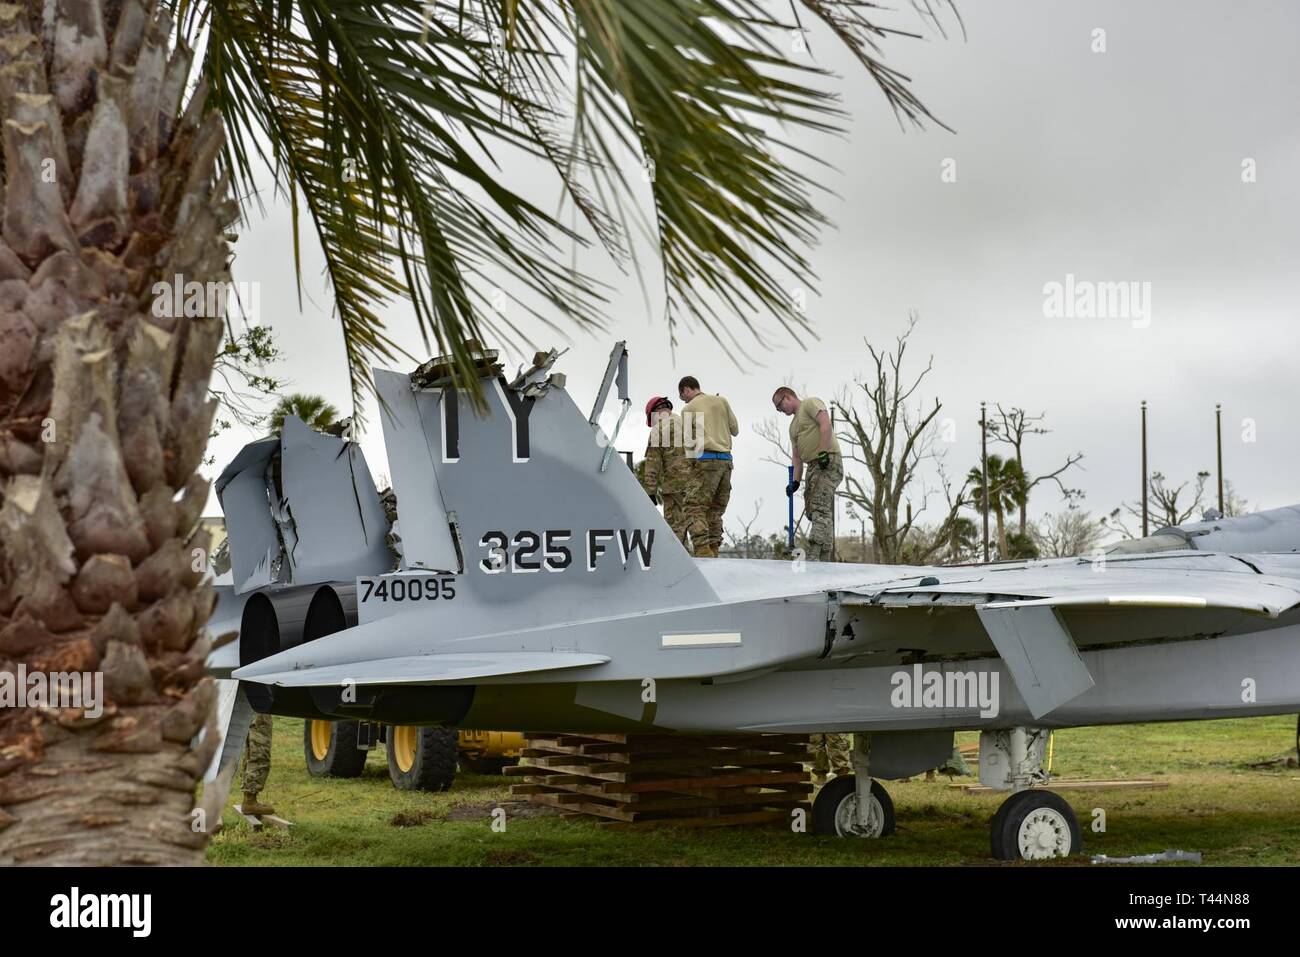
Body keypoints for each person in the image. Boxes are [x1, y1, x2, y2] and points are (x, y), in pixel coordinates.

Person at [773, 386, 843, 562]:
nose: (780, 411)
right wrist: (795, 482)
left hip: (827, 461)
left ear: (787, 397)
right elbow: (796, 457)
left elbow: (826, 424)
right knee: (813, 511)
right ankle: (825, 555)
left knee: (820, 507)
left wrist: (823, 452)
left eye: (779, 406)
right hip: (812, 466)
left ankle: (814, 555)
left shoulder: (810, 404)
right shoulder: (793, 427)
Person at [679, 376, 738, 558]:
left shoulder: (689, 408)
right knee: (715, 509)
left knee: (694, 506)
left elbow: (689, 444)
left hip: (706, 459)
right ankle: (713, 547)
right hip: (726, 461)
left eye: (683, 396)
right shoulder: (721, 401)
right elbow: (735, 430)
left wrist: (689, 469)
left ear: (686, 390)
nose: (684, 400)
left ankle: (703, 549)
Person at [641, 396, 691, 547]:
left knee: (676, 533)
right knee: (699, 528)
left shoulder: (658, 429)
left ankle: (681, 568)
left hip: (674, 488)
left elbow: (652, 466)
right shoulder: (688, 422)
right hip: (697, 486)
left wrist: (650, 492)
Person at [240, 713, 276, 817]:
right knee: (260, 748)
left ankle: (249, 798)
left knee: (251, 749)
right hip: (258, 704)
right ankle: (250, 800)